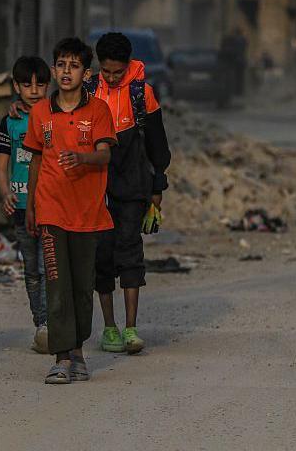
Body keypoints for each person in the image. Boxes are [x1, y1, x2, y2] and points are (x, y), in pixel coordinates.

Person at [23, 37, 116, 384]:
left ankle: (77, 350)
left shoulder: (98, 111)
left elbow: (106, 154)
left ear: (85, 73)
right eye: (61, 64)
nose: (66, 71)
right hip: (50, 211)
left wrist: (83, 157)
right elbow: (35, 159)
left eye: (73, 66)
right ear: (53, 69)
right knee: (57, 283)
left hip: (88, 212)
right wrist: (31, 205)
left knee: (81, 285)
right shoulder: (40, 113)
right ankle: (61, 357)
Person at [90, 32, 171, 355]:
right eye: (106, 72)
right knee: (102, 254)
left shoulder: (142, 94)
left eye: (117, 72)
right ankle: (109, 327)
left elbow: (157, 144)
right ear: (99, 66)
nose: (111, 78)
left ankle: (131, 328)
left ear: (128, 66)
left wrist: (157, 187)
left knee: (130, 251)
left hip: (134, 182)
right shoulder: (88, 91)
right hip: (97, 184)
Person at [0, 56, 51, 354]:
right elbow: (1, 166)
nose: (33, 90)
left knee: (47, 268)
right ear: (16, 86)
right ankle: (40, 322)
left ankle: (49, 327)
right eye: (26, 84)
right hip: (21, 207)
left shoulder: (54, 115)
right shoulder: (10, 120)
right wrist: (6, 194)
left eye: (40, 84)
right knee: (31, 269)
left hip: (50, 206)